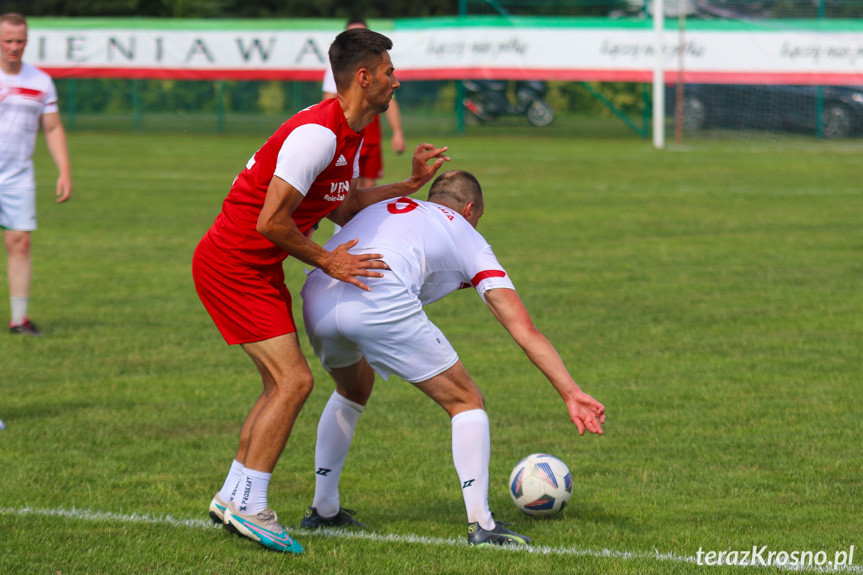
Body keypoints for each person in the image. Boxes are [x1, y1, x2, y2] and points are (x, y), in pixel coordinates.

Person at [192, 27, 449, 554]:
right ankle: (252, 504)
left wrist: (407, 184)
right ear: (364, 77)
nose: (395, 82)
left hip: (257, 269)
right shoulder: (318, 134)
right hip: (234, 264)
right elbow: (270, 221)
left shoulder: (347, 135)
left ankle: (233, 494)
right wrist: (329, 259)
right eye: (388, 72)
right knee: (294, 383)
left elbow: (344, 206)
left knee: (278, 385)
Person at [298, 170, 606, 546]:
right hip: (377, 296)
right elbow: (523, 329)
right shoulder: (464, 232)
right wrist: (571, 392)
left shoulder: (386, 209)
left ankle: (324, 509)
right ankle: (482, 525)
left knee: (353, 388)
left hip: (317, 292)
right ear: (471, 209)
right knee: (466, 401)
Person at [0, 12, 72, 337]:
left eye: (20, 40)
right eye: (7, 41)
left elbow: (53, 127)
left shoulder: (40, 81)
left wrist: (64, 171)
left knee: (20, 243)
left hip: (17, 176)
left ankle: (19, 320)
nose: (14, 47)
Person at [322, 18, 405, 191]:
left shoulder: (379, 66)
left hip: (371, 134)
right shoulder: (338, 68)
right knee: (349, 189)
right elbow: (328, 102)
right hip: (349, 133)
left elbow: (391, 100)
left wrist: (397, 132)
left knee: (369, 186)